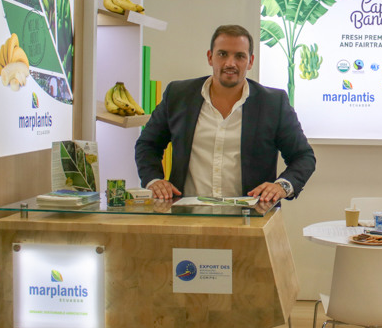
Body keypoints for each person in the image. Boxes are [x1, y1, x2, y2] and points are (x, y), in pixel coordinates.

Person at [135, 24, 315, 203]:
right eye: (222, 54)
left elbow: (303, 157)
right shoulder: (178, 95)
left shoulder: (273, 103)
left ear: (250, 61)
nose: (230, 63)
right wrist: (154, 180)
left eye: (240, 56)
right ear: (210, 57)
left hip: (251, 215)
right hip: (186, 213)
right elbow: (147, 145)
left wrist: (282, 186)